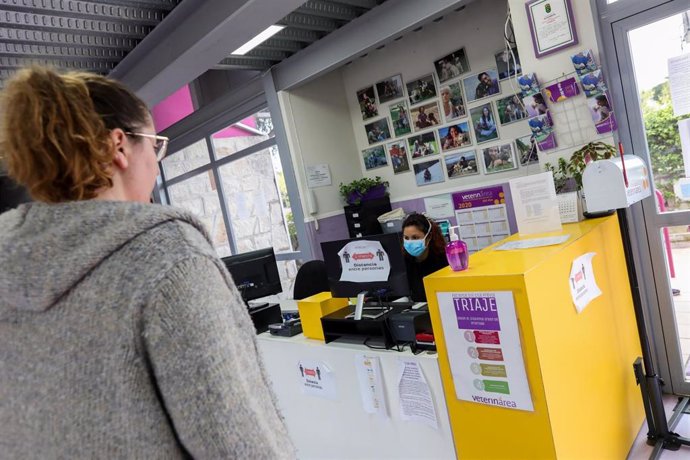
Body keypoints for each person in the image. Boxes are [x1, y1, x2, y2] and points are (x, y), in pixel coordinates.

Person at [0, 67, 294, 458]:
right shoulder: (168, 259)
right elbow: (237, 443)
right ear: (118, 147)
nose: (156, 165)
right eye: (155, 146)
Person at [401, 213, 449, 302]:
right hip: (416, 310)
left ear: (428, 237)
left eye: (415, 237)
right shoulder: (403, 261)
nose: (410, 242)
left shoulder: (444, 260)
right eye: (406, 238)